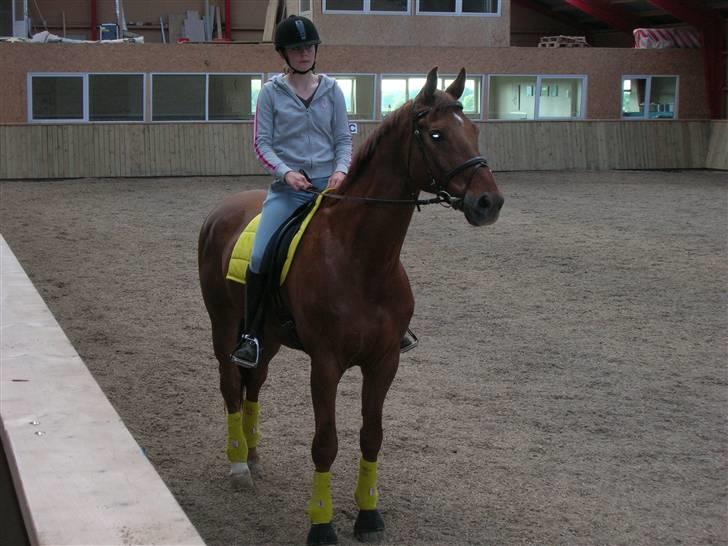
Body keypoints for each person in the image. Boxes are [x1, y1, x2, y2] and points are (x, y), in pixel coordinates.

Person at [231, 15, 415, 368]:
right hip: (289, 191)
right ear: (283, 53)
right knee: (259, 256)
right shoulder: (270, 93)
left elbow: (343, 139)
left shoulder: (332, 90)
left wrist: (342, 170)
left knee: (373, 241)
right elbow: (262, 144)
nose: (304, 54)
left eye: (309, 47)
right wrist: (286, 174)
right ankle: (252, 336)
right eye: (297, 49)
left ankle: (394, 322)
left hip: (332, 187)